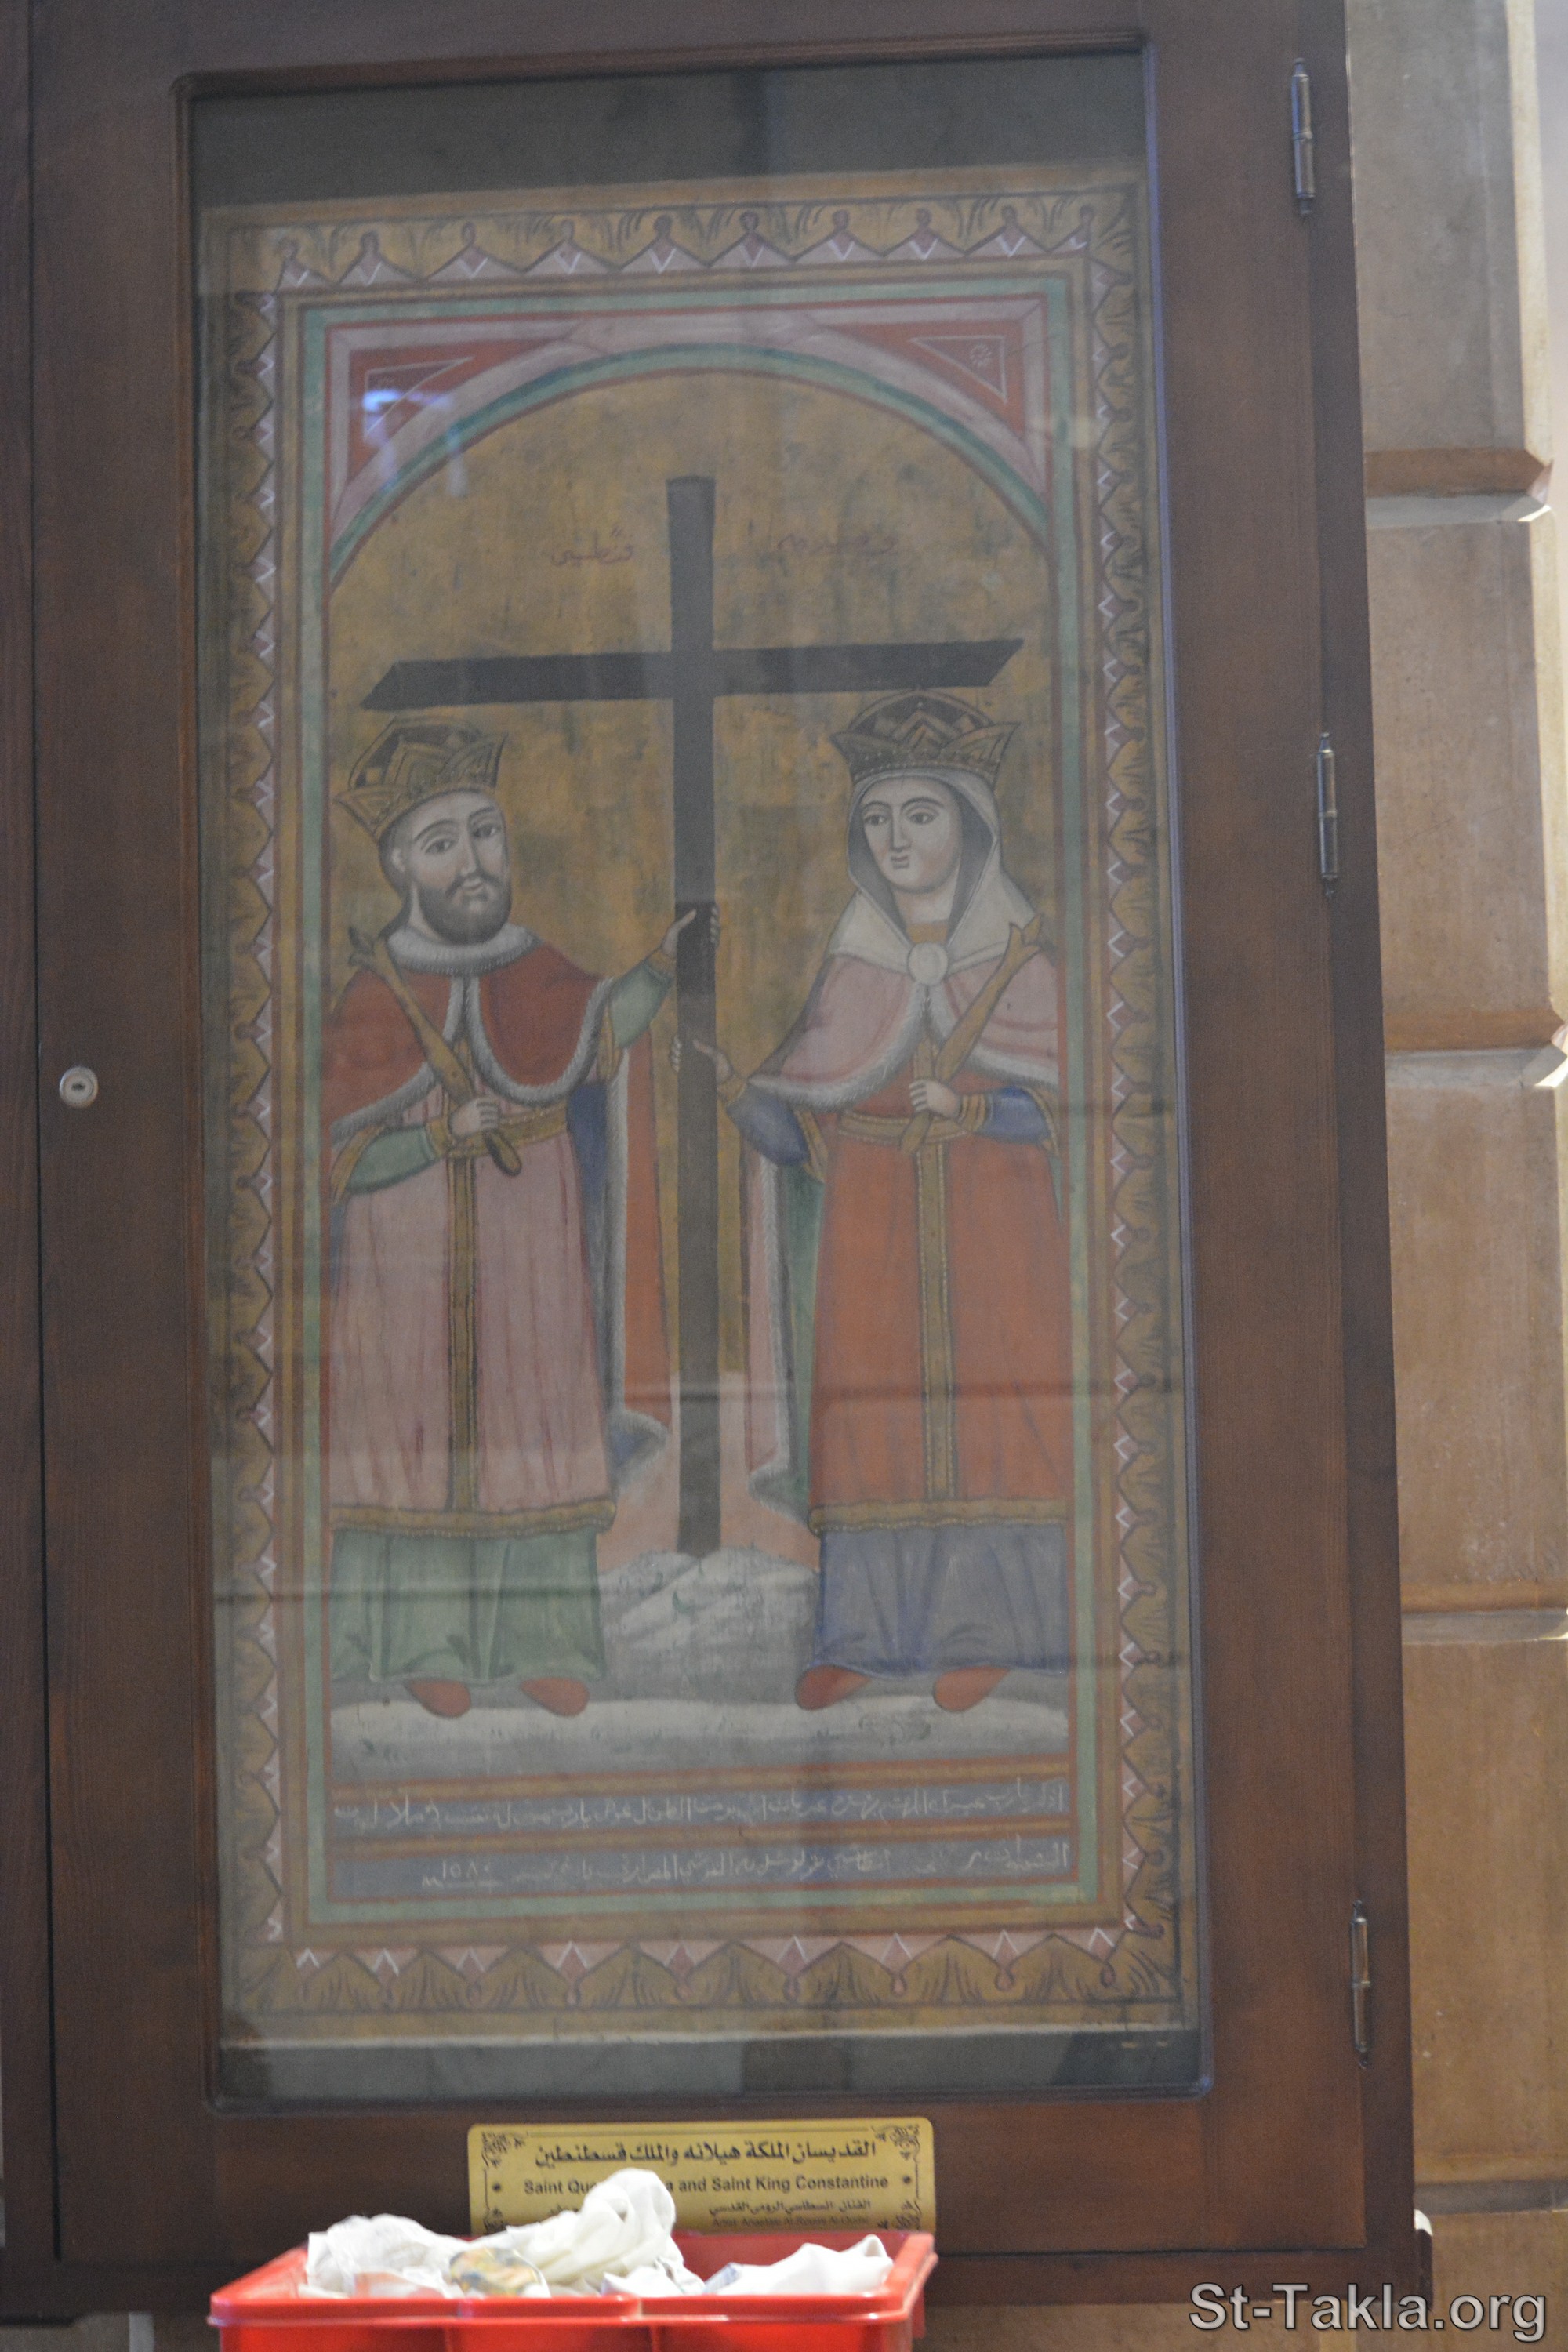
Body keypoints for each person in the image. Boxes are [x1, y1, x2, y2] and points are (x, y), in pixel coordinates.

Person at [699, 690, 1072, 1711]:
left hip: (998, 1234)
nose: (895, 838)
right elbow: (806, 1131)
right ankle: (861, 1638)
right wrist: (738, 1095)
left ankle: (992, 1635)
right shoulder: (853, 968)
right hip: (870, 1237)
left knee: (1000, 1424)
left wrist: (974, 1109)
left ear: (970, 824)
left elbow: (1077, 1117)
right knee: (871, 1429)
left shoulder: (1022, 964)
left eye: (919, 814)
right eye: (875, 818)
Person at [324, 719, 684, 1719]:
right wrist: (434, 1142)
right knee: (414, 1436)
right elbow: (334, 1160)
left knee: (535, 1424)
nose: (473, 861)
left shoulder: (538, 967)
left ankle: (543, 1645)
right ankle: (421, 1643)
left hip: (532, 1246)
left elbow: (599, 1027)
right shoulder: (373, 991)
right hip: (403, 1258)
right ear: (402, 866)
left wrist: (660, 968)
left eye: (485, 834)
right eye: (442, 842)